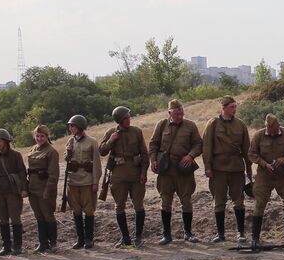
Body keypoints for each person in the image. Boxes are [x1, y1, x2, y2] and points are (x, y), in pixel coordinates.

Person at [149, 100, 203, 244]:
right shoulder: (161, 125)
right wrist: (153, 160)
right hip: (166, 169)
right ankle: (166, 235)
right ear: (170, 113)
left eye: (181, 113)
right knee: (165, 201)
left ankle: (188, 233)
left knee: (186, 200)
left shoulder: (190, 126)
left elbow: (198, 144)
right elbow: (153, 144)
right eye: (177, 113)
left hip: (183, 169)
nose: (179, 116)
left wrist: (190, 155)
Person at [249, 113, 284, 249]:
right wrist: (263, 163)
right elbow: (252, 154)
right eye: (270, 130)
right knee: (260, 203)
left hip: (283, 175)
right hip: (264, 175)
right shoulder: (258, 136)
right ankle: (255, 236)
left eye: (274, 130)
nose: (272, 133)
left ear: (278, 126)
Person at [201, 96, 250, 243]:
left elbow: (246, 148)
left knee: (239, 201)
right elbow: (207, 147)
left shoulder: (240, 125)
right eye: (231, 107)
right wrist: (208, 167)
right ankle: (221, 234)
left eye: (235, 106)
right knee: (219, 201)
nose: (234, 109)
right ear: (224, 108)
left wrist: (249, 168)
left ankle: (240, 233)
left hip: (236, 168)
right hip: (219, 168)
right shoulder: (213, 124)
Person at [100, 106, 148, 247]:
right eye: (126, 117)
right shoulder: (110, 132)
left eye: (129, 117)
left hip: (135, 173)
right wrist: (111, 141)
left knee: (139, 205)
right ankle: (125, 237)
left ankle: (138, 237)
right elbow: (101, 151)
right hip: (118, 175)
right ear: (120, 120)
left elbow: (144, 154)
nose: (129, 119)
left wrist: (144, 173)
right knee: (119, 206)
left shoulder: (137, 132)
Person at [63, 115, 101, 249]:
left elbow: (96, 162)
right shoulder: (70, 141)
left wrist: (95, 181)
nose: (70, 128)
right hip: (73, 181)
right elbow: (66, 160)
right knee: (76, 211)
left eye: (72, 126)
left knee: (89, 211)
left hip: (87, 180)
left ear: (80, 126)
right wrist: (68, 153)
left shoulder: (92, 142)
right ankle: (80, 239)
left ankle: (89, 239)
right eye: (70, 126)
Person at [0, 128, 28, 255]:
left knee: (15, 219)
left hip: (12, 191)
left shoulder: (15, 155)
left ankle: (17, 246)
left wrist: (23, 189)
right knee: (3, 220)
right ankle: (6, 246)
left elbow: (22, 172)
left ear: (6, 141)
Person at [25, 125, 60, 253]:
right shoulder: (33, 149)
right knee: (38, 216)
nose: (39, 138)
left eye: (42, 136)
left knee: (48, 215)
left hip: (45, 188)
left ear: (47, 137)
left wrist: (48, 190)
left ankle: (53, 243)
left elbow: (53, 174)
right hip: (33, 188)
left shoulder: (51, 152)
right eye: (37, 136)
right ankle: (42, 243)